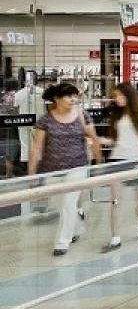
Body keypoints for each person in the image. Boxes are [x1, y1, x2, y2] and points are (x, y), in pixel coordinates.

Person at [29, 83, 104, 256]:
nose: (73, 99)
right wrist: (32, 173)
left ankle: (62, 243)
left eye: (75, 96)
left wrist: (99, 163)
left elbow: (94, 138)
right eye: (69, 96)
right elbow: (37, 147)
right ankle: (76, 228)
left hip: (77, 167)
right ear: (56, 99)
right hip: (51, 170)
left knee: (69, 203)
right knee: (61, 205)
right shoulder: (45, 120)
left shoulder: (82, 116)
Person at [101, 82, 138, 253]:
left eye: (119, 95)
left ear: (129, 95)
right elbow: (118, 140)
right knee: (115, 200)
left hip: (137, 160)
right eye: (115, 96)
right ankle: (115, 237)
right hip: (117, 160)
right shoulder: (117, 116)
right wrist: (104, 141)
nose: (116, 99)